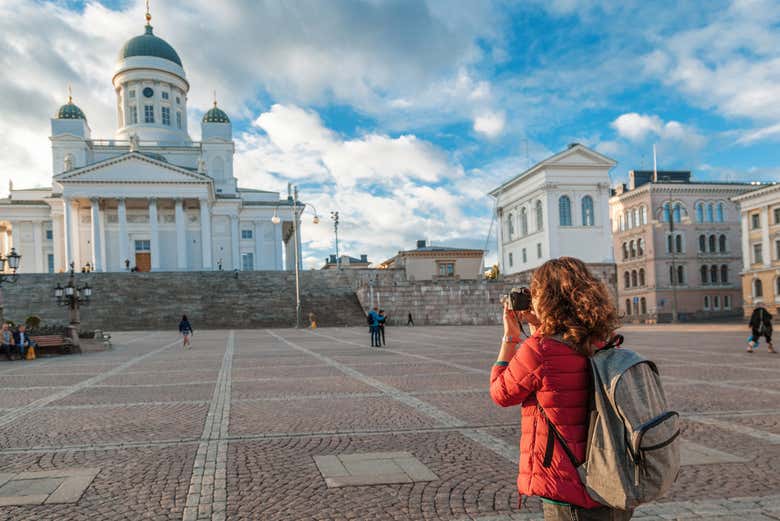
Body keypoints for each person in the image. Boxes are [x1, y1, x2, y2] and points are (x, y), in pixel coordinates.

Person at [490, 257, 631, 521]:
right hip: (613, 478)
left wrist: (510, 338)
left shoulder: (540, 349)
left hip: (568, 485)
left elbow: (501, 392)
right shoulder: (604, 341)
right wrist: (539, 328)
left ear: (546, 298)